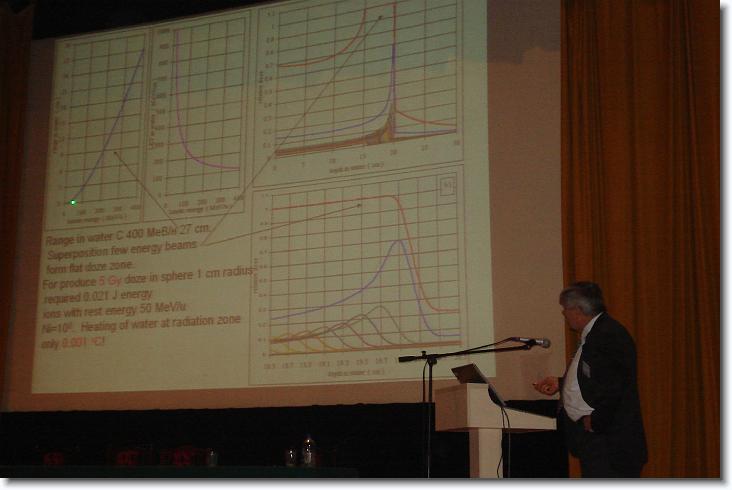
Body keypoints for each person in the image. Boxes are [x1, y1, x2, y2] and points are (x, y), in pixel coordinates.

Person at [533, 281, 647, 477]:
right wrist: (561, 383)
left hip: (610, 443)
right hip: (599, 441)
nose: (564, 314)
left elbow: (615, 387)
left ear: (578, 310)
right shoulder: (596, 334)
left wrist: (596, 421)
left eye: (565, 309)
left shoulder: (608, 335)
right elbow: (597, 379)